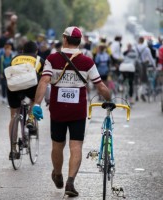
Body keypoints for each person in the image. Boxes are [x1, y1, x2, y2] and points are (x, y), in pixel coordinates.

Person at [32, 26, 111, 197]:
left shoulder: (52, 59)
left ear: (65, 39)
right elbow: (101, 86)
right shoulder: (87, 61)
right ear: (79, 41)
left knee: (57, 145)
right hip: (78, 111)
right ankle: (70, 181)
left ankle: (58, 173)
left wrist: (36, 104)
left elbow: (44, 81)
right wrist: (109, 99)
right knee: (76, 146)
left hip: (58, 110)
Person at [7, 41, 44, 160]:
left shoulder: (15, 58)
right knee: (35, 98)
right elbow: (44, 79)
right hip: (30, 86)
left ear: (22, 51)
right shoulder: (39, 60)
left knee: (14, 116)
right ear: (36, 51)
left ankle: (13, 150)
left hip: (13, 87)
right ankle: (30, 118)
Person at [135, 36, 156, 101]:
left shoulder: (135, 47)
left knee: (136, 80)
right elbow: (151, 58)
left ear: (138, 41)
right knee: (144, 80)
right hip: (143, 65)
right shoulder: (146, 49)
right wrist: (154, 66)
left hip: (136, 65)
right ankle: (142, 93)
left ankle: (136, 95)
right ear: (143, 41)